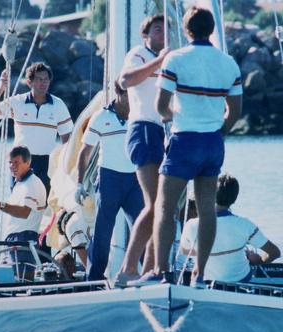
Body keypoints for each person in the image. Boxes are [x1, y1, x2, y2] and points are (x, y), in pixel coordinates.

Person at [146, 6, 243, 288]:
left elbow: (160, 106)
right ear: (211, 29)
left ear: (186, 31)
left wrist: (173, 116)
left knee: (164, 208)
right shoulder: (229, 64)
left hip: (184, 140)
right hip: (213, 142)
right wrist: (218, 131)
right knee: (207, 209)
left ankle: (160, 272)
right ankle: (200, 275)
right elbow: (234, 112)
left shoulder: (175, 59)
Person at [114, 14, 171, 285]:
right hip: (143, 129)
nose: (162, 34)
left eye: (165, 30)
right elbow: (124, 80)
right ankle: (127, 269)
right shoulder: (139, 53)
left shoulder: (171, 61)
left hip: (162, 134)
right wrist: (160, 60)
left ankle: (149, 270)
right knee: (154, 204)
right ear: (146, 36)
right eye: (157, 30)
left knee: (164, 207)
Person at [75, 81, 144, 281]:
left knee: (142, 228)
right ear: (118, 93)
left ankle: (148, 275)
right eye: (129, 94)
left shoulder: (141, 115)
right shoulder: (101, 117)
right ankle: (93, 280)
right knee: (103, 234)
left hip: (135, 180)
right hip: (109, 179)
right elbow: (84, 152)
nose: (133, 100)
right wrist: (79, 183)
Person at [0, 62, 74, 196]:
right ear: (29, 82)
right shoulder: (18, 102)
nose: (43, 83)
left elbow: (68, 140)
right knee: (19, 203)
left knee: (43, 205)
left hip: (46, 164)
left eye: (46, 79)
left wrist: (65, 168)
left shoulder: (58, 105)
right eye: (39, 79)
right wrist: (1, 88)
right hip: (20, 162)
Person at [178, 174, 281, 283]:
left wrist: (209, 251)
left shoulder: (191, 225)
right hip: (242, 280)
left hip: (207, 281)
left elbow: (184, 250)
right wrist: (258, 260)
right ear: (234, 199)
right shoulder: (245, 225)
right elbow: (274, 252)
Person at [0, 146, 47, 278]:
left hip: (24, 239)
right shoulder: (20, 184)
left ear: (28, 163)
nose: (12, 166)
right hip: (16, 239)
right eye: (10, 162)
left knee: (24, 281)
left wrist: (0, 205)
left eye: (16, 162)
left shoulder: (32, 183)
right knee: (20, 280)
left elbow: (25, 212)